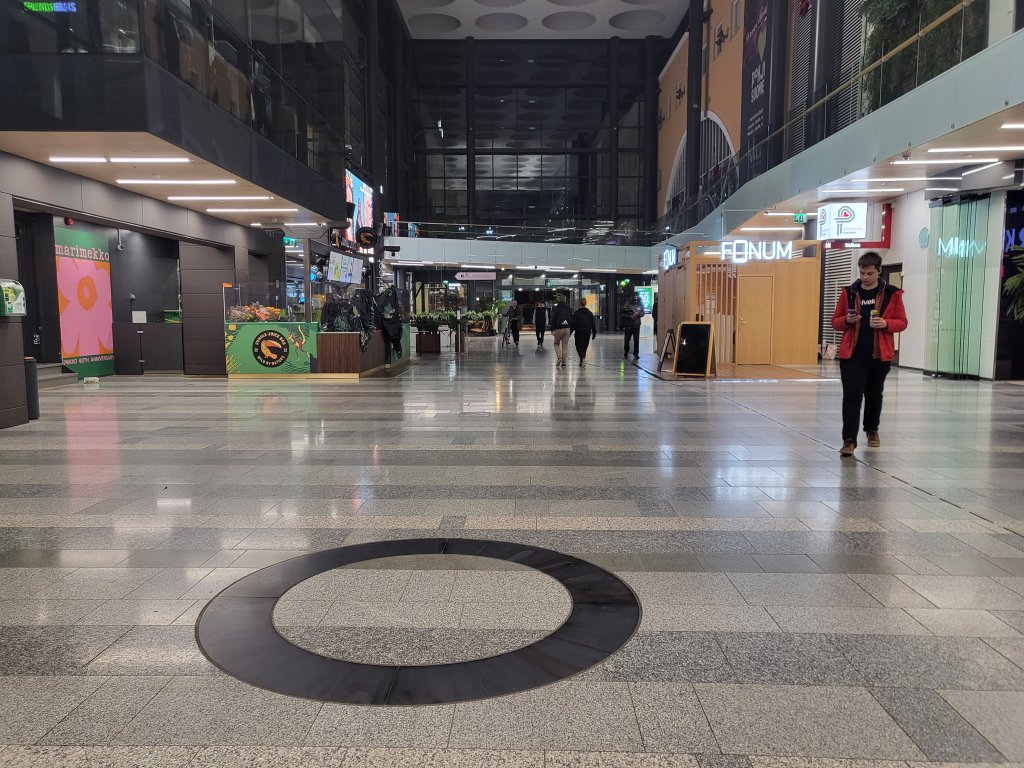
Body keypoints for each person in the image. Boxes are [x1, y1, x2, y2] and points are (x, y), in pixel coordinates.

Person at [831, 251, 908, 457]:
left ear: (879, 271)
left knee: (874, 394)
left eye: (870, 273)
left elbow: (902, 322)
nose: (865, 277)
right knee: (851, 396)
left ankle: (872, 429)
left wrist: (886, 324)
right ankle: (849, 440)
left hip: (878, 355)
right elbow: (835, 321)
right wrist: (847, 320)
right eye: (862, 273)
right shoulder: (849, 293)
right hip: (852, 355)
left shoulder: (892, 294)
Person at [570, 298, 598, 367]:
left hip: (579, 332)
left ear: (580, 304)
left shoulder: (576, 313)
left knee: (578, 346)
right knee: (584, 347)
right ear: (586, 304)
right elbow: (593, 324)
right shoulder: (590, 313)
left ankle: (582, 358)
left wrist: (570, 332)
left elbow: (573, 324)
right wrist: (594, 333)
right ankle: (582, 360)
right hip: (587, 332)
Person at [549, 294, 573, 368]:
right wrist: (570, 330)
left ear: (559, 300)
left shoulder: (557, 307)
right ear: (565, 300)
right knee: (565, 346)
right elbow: (571, 319)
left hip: (559, 328)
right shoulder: (569, 308)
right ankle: (564, 363)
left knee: (556, 344)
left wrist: (552, 329)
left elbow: (553, 318)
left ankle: (559, 357)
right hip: (567, 329)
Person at [620, 294, 645, 359]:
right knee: (627, 340)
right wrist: (630, 316)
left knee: (636, 340)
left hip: (636, 325)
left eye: (637, 297)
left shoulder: (640, 304)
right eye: (635, 297)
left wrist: (638, 314)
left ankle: (636, 353)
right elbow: (623, 313)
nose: (636, 298)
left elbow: (643, 313)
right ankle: (626, 352)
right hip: (629, 325)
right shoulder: (628, 304)